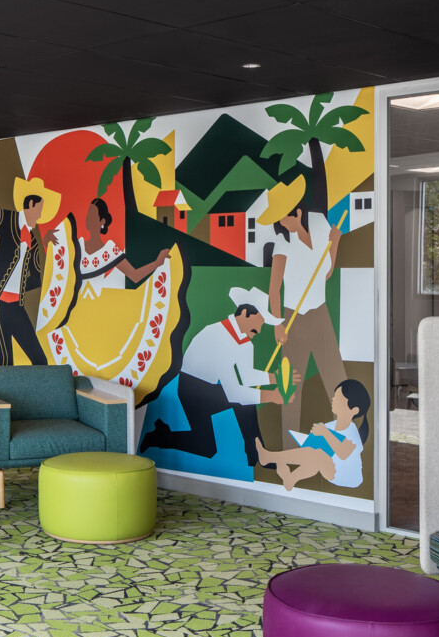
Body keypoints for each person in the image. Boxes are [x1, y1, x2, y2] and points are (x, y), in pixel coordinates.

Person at [141, 288, 281, 467]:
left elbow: (247, 376)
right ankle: (159, 436)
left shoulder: (245, 342)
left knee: (246, 405)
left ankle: (256, 454)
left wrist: (275, 378)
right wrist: (271, 396)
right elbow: (234, 393)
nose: (260, 330)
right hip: (191, 390)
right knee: (206, 447)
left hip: (210, 388)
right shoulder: (218, 335)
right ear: (245, 313)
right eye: (259, 322)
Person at [259, 175, 347, 440]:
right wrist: (278, 324)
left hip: (319, 315)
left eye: (285, 218)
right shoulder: (282, 243)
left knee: (336, 379)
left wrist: (336, 241)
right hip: (292, 319)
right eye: (279, 221)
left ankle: (346, 442)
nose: (282, 224)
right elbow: (274, 289)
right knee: (290, 386)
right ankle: (290, 447)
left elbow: (326, 274)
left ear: (298, 212)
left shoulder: (320, 226)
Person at [0, 176, 59, 365]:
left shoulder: (34, 241)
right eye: (38, 210)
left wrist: (45, 243)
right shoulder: (7, 217)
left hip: (17, 307)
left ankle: (35, 394)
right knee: (5, 363)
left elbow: (36, 280)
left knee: (40, 360)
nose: (39, 216)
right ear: (30, 205)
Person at [256, 380, 371, 491]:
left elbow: (344, 453)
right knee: (314, 454)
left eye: (339, 398)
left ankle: (270, 457)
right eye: (334, 396)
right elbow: (313, 450)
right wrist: (312, 439)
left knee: (317, 455)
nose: (333, 399)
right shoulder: (329, 426)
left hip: (348, 478)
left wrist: (325, 433)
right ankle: (290, 479)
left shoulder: (351, 431)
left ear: (354, 410)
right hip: (333, 470)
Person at [78, 198, 169, 297]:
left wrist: (157, 262)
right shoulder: (78, 245)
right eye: (88, 215)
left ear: (102, 221)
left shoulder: (109, 251)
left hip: (100, 303)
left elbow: (134, 275)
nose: (88, 219)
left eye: (92, 216)